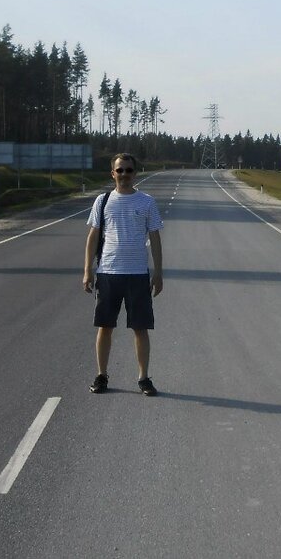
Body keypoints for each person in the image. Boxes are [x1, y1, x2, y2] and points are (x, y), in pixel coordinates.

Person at [83, 153, 164, 396]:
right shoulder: (103, 201)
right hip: (108, 272)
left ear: (135, 173)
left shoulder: (147, 202)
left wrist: (158, 273)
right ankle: (101, 375)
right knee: (105, 327)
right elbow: (93, 236)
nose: (124, 175)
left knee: (140, 328)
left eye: (129, 170)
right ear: (113, 174)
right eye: (120, 170)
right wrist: (87, 270)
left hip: (137, 274)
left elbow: (155, 238)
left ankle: (143, 378)